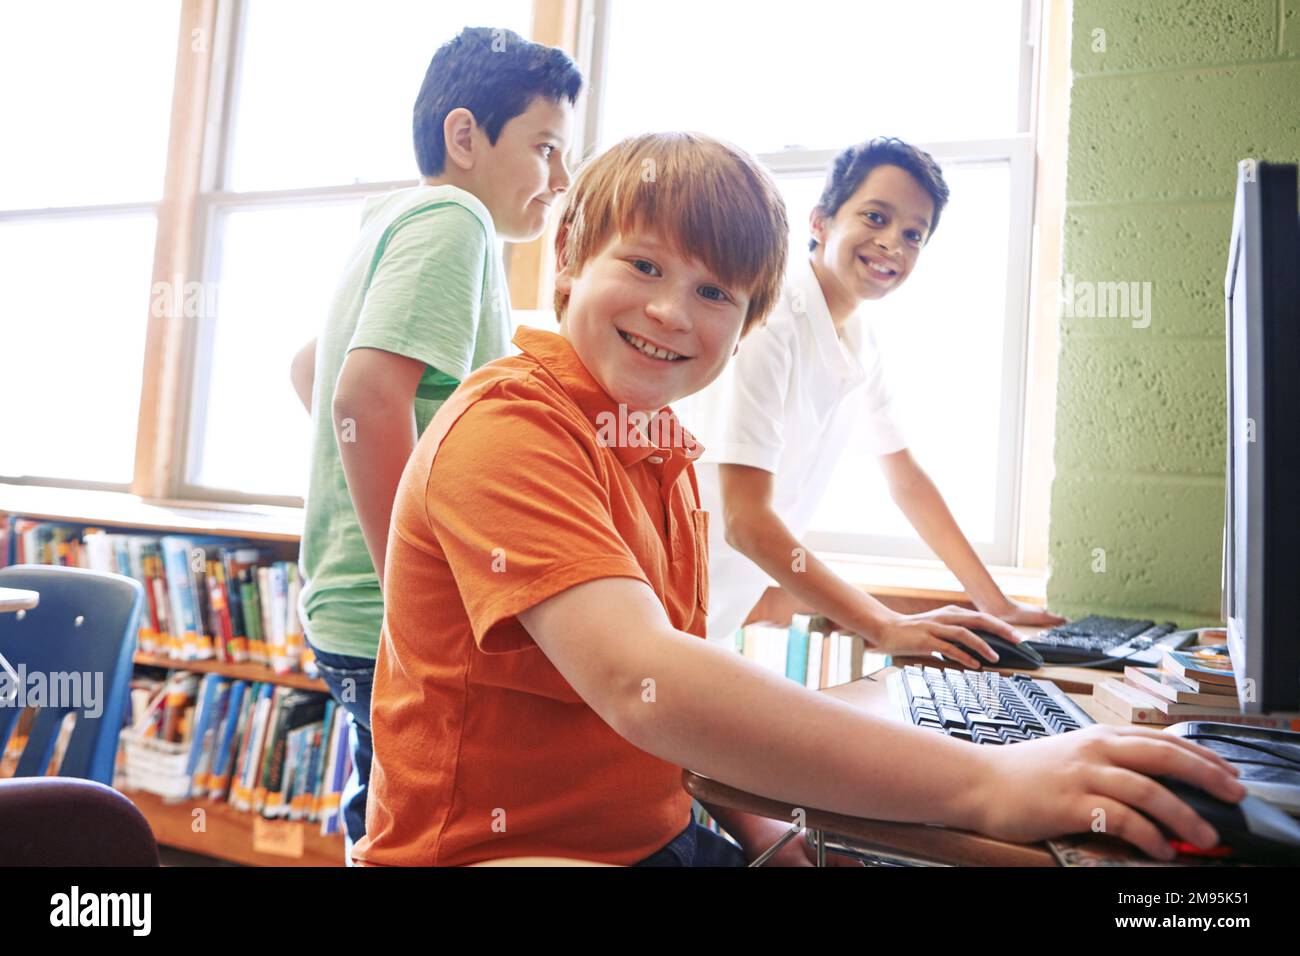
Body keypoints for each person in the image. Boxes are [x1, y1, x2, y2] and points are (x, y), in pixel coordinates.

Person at [352, 132, 1242, 867]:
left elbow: (675, 700)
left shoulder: (660, 448)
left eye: (713, 293)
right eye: (645, 266)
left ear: (742, 325)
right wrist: (989, 782)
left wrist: (766, 830)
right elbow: (641, 684)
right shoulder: (513, 427)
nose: (672, 312)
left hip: (658, 831)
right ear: (570, 266)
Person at [288, 26, 581, 858]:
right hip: (386, 608)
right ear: (465, 136)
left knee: (384, 818)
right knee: (427, 839)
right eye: (546, 148)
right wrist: (414, 588)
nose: (560, 181)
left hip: (345, 604)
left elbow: (311, 371)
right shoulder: (455, 218)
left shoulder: (392, 216)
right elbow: (363, 394)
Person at [694, 137, 1065, 664]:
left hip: (708, 621)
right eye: (875, 217)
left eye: (914, 234)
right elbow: (744, 521)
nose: (894, 242)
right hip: (661, 611)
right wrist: (886, 625)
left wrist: (995, 603)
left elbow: (906, 480)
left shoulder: (858, 339)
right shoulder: (770, 322)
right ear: (820, 221)